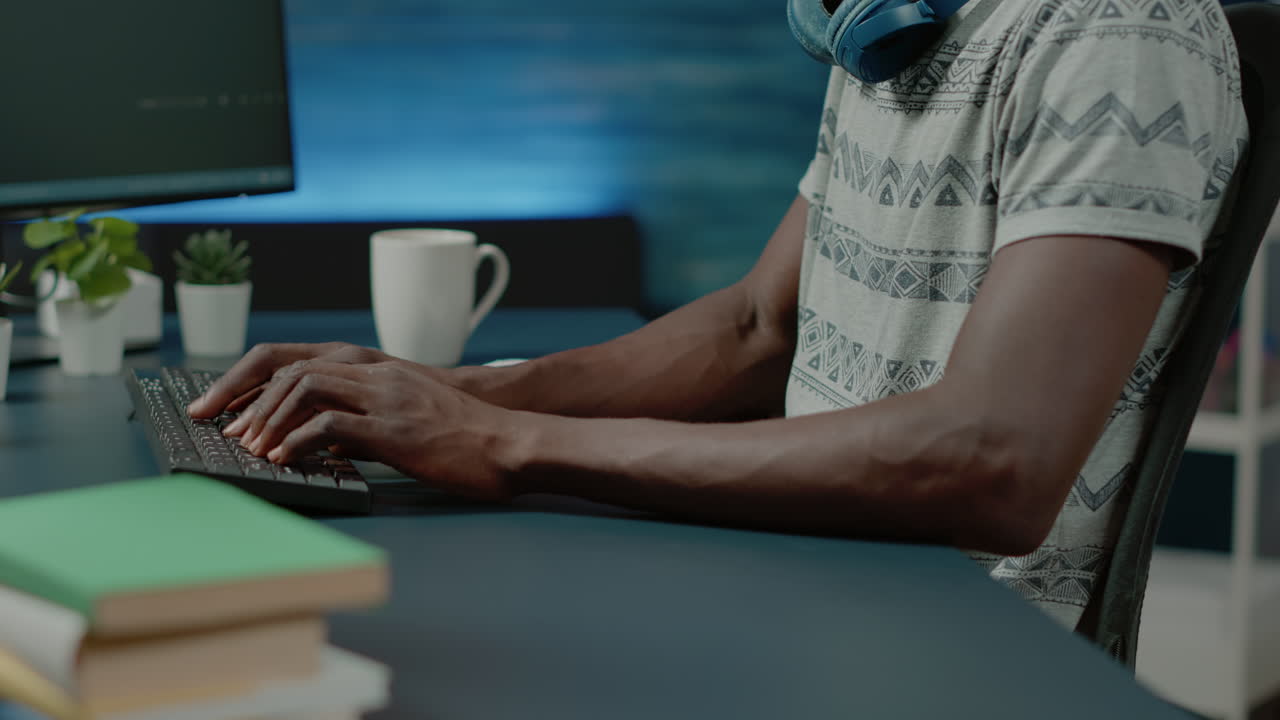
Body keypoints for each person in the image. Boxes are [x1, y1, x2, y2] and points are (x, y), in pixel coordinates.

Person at [188, 0, 1249, 630]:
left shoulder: (1120, 30)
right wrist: (447, 393)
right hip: (821, 567)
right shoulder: (888, 28)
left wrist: (506, 441)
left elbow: (993, 459)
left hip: (956, 635)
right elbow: (753, 328)